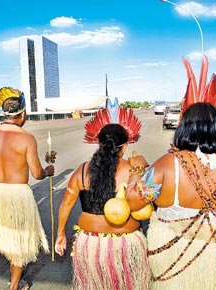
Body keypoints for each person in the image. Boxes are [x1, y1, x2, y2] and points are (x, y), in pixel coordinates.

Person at [127, 57, 216, 290]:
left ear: (184, 128)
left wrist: (136, 169)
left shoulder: (167, 163)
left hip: (173, 258)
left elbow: (134, 202)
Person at [55, 99, 151, 290]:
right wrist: (142, 166)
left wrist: (60, 235)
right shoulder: (134, 170)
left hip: (89, 244)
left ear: (99, 145)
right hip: (126, 243)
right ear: (124, 147)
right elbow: (147, 202)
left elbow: (66, 205)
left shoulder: (82, 171)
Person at [0, 87, 55, 290]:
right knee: (20, 238)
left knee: (5, 233)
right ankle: (15, 285)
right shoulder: (26, 138)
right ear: (22, 114)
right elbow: (37, 174)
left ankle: (15, 277)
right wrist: (48, 171)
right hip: (17, 193)